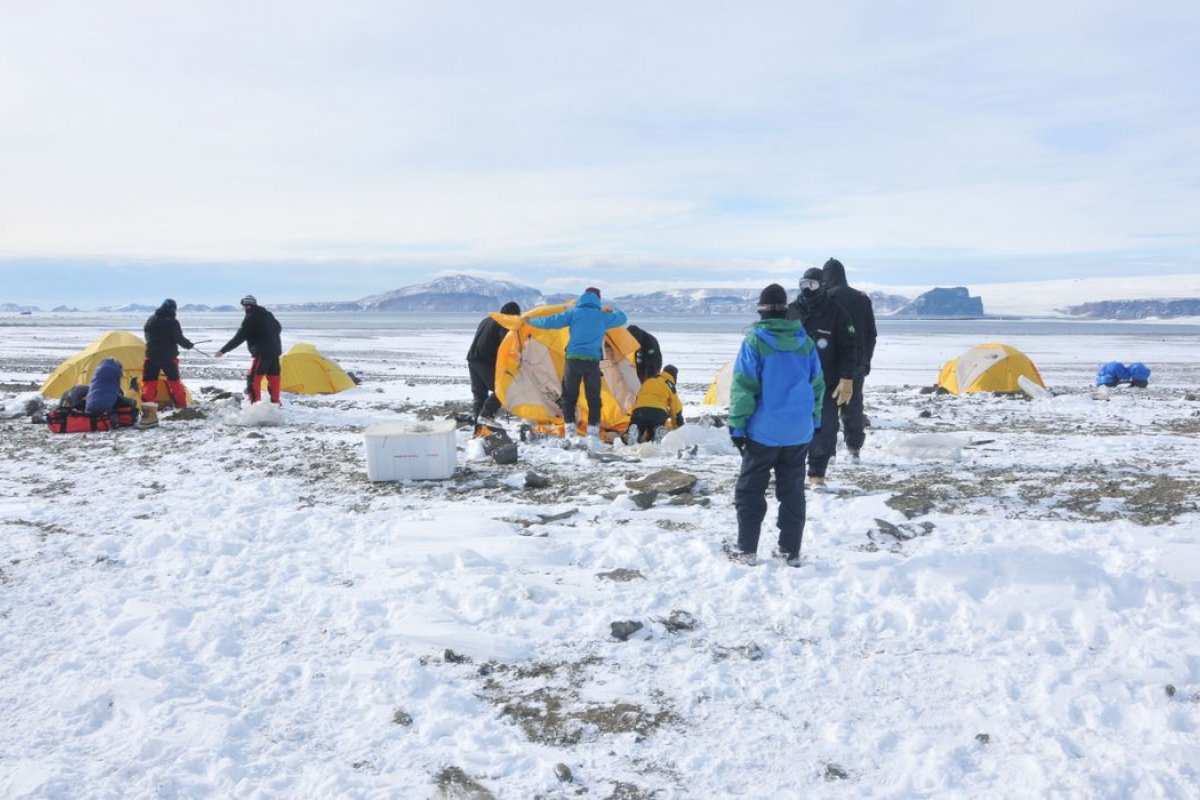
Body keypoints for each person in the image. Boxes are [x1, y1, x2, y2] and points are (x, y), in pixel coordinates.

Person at [727, 284, 824, 567]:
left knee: (749, 491)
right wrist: (815, 421)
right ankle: (789, 551)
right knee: (792, 492)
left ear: (761, 311)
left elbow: (743, 388)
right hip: (798, 432)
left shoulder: (754, 342)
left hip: (764, 433)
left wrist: (737, 426)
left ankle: (746, 549)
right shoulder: (805, 343)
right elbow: (817, 386)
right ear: (786, 311)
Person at [525, 287, 627, 445]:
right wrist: (610, 309)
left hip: (573, 361)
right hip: (592, 362)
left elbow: (550, 321)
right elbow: (622, 317)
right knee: (593, 398)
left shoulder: (574, 313)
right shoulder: (601, 316)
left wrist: (530, 321)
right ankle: (593, 433)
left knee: (569, 397)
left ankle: (570, 431)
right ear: (597, 299)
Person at [787, 268, 860, 486]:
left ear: (822, 286)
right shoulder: (791, 312)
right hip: (794, 381)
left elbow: (849, 347)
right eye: (803, 284)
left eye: (813, 285)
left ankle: (817, 473)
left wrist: (847, 377)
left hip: (826, 382)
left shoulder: (836, 313)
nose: (807, 290)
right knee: (793, 427)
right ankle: (792, 470)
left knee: (825, 428)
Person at [821, 258, 876, 461]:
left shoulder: (826, 298)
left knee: (828, 407)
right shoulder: (862, 300)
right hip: (857, 363)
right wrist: (866, 361)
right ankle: (854, 448)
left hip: (830, 363)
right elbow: (872, 334)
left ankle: (829, 452)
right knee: (853, 404)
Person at [214, 295, 284, 404]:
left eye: (244, 307)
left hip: (262, 352)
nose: (244, 309)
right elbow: (278, 328)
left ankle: (255, 405)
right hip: (275, 352)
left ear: (247, 306)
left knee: (253, 379)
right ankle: (276, 403)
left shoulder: (251, 317)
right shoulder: (268, 314)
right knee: (274, 378)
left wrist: (223, 350)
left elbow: (239, 337)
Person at [466, 301, 521, 426]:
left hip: (472, 359)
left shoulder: (486, 320)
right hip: (485, 362)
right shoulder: (504, 323)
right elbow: (506, 346)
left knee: (479, 396)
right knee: (503, 389)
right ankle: (487, 415)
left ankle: (479, 428)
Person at [142, 298, 194, 409]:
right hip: (168, 357)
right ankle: (181, 407)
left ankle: (148, 410)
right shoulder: (173, 322)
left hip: (151, 356)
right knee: (175, 383)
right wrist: (188, 345)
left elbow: (147, 335)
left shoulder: (151, 319)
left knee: (149, 383)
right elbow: (178, 338)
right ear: (173, 309)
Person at [628, 364, 684, 443]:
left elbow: (638, 399)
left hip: (639, 411)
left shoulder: (648, 381)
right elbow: (676, 411)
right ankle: (656, 431)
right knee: (653, 430)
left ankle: (636, 432)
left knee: (638, 426)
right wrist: (679, 430)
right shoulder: (669, 385)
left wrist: (633, 416)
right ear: (675, 376)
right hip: (658, 413)